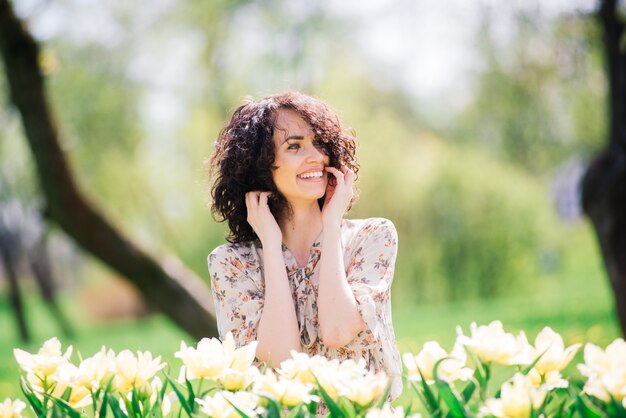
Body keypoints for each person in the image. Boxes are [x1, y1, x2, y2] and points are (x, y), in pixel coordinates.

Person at [207, 91, 402, 399]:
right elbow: (283, 360)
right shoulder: (232, 263)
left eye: (320, 143)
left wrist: (332, 223)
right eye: (295, 146)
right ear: (260, 165)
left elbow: (337, 331)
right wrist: (271, 245)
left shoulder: (371, 237)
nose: (316, 156)